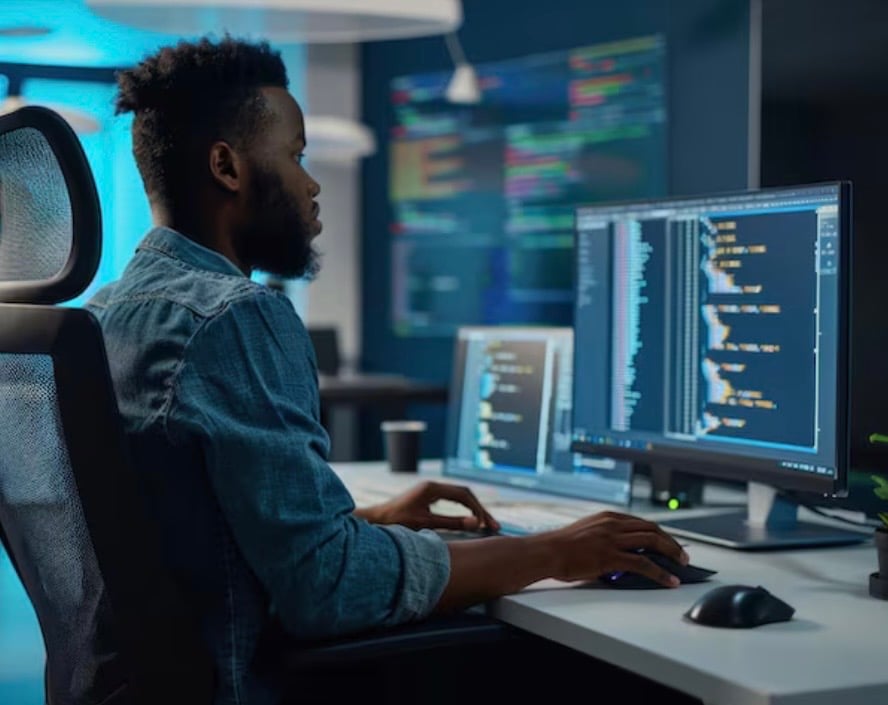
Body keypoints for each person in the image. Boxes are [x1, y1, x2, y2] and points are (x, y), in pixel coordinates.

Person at [90, 36, 690, 705]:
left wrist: (368, 520)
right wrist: (556, 552)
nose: (312, 183)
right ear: (227, 167)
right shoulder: (233, 316)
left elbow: (180, 530)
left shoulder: (104, 315)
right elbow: (327, 586)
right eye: (295, 155)